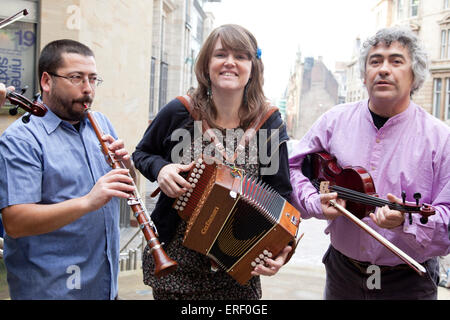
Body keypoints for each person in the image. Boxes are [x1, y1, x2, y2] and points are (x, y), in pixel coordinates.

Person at [132, 24, 293, 300]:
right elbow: (142, 154)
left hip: (239, 271)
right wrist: (161, 170)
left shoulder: (270, 123)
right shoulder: (180, 111)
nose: (230, 62)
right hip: (176, 268)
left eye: (241, 56)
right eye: (221, 55)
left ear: (252, 67)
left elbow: (282, 195)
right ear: (206, 64)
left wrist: (283, 250)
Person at [289, 26, 450, 300]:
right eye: (375, 61)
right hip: (343, 273)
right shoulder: (333, 121)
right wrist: (315, 202)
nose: (384, 69)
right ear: (364, 76)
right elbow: (294, 166)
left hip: (409, 282)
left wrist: (406, 222)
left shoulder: (441, 138)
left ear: (415, 75)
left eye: (396, 61)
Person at [0, 39, 135, 299]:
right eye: (76, 78)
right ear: (47, 81)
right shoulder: (22, 139)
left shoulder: (101, 122)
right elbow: (15, 222)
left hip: (105, 287)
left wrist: (125, 165)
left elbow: (125, 188)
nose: (88, 90)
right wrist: (88, 201)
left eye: (93, 79)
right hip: (53, 291)